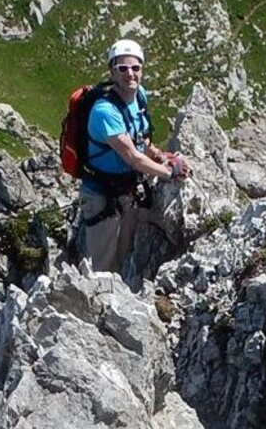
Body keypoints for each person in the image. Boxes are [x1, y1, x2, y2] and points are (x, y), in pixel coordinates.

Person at [75, 38, 190, 276]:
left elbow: (141, 140)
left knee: (124, 253)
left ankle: (118, 301)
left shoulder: (139, 97)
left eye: (135, 68)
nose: (130, 74)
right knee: (103, 266)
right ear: (112, 71)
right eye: (122, 68)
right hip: (100, 195)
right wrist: (170, 173)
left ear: (142, 70)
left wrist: (160, 155)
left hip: (127, 192)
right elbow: (132, 157)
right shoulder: (104, 112)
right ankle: (97, 306)